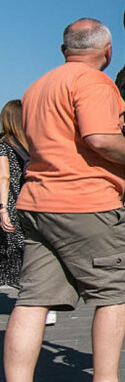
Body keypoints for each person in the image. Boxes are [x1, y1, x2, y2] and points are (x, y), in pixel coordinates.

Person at [2, 19, 125, 382]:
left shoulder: (36, 88)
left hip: (38, 203)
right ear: (108, 52)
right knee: (116, 290)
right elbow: (99, 138)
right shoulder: (93, 82)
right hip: (86, 203)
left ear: (64, 50)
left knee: (31, 301)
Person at [0, 101, 58, 328]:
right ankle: (46, 304)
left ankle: (40, 304)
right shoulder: (33, 145)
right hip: (33, 205)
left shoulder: (4, 145)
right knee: (31, 255)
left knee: (17, 255)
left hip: (11, 206)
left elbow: (4, 178)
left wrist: (3, 208)